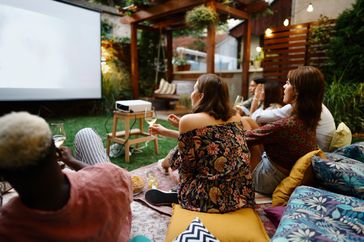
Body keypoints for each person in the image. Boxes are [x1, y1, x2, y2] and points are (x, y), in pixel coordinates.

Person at [0, 112, 132, 241]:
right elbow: (114, 180)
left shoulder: (7, 227)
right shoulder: (112, 177)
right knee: (86, 134)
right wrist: (73, 161)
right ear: (57, 152)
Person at [146, 74, 254, 213]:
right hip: (241, 193)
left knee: (178, 156)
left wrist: (176, 169)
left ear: (201, 96)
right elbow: (213, 138)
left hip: (208, 199)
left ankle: (176, 192)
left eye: (193, 89)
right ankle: (166, 169)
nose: (191, 94)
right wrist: (174, 130)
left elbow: (187, 170)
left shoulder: (189, 120)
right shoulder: (236, 116)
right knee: (191, 147)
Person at [243, 66, 325, 195]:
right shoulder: (308, 120)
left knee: (243, 130)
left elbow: (242, 139)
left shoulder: (286, 125)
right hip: (281, 171)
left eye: (287, 83)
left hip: (268, 181)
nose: (284, 87)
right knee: (247, 121)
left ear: (296, 91)